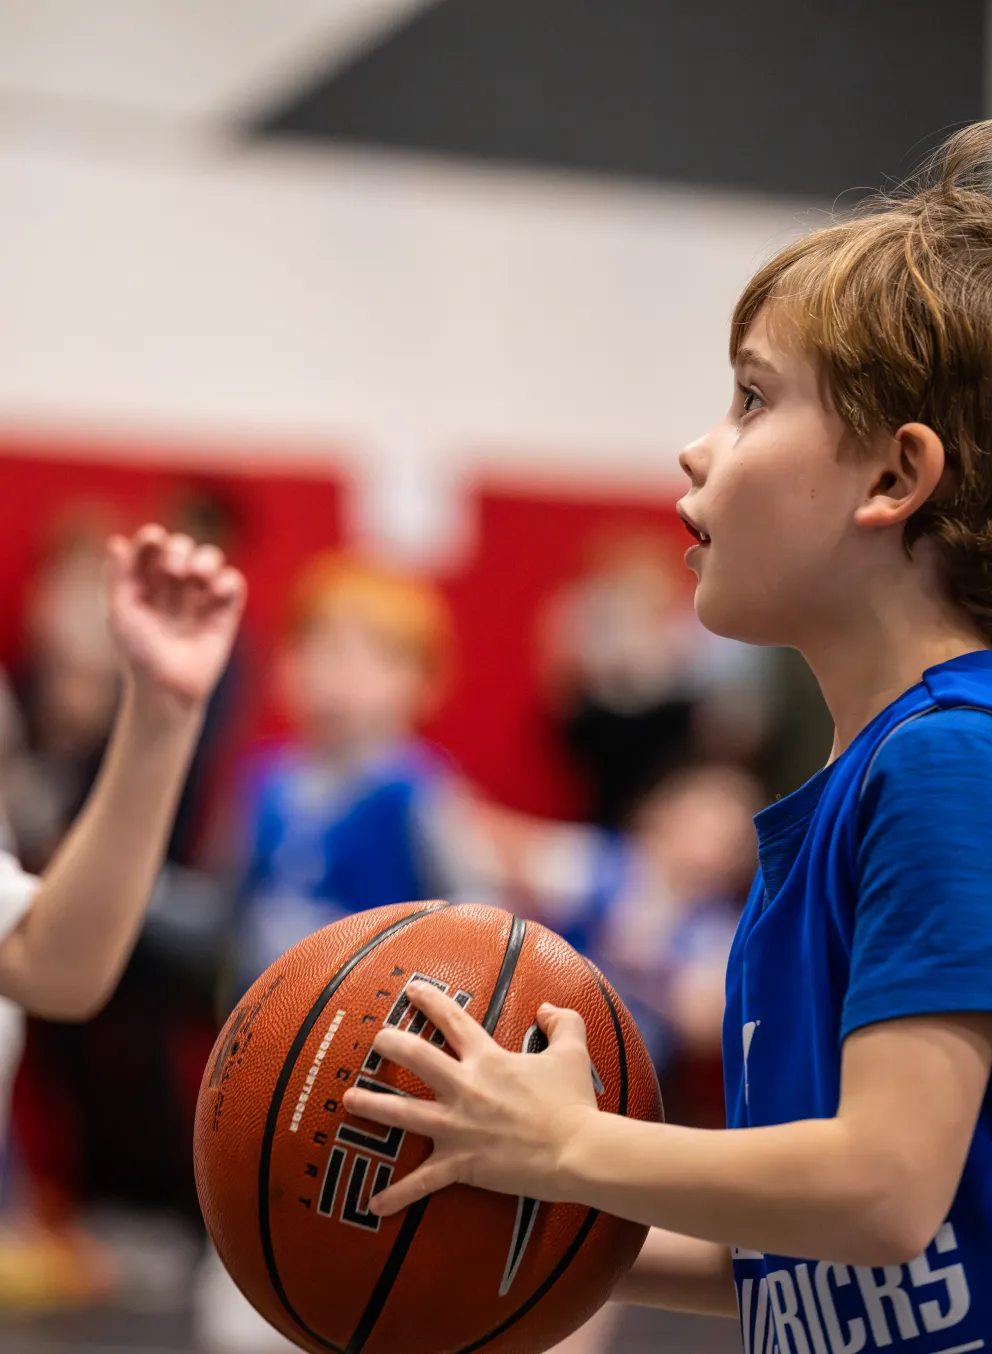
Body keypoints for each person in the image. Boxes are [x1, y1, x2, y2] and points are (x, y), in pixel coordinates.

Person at [341, 122, 992, 1350]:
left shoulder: (949, 758)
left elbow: (884, 1186)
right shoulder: (858, 786)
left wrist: (572, 1140)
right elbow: (802, 1257)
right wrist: (525, 1196)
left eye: (751, 397)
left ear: (893, 479)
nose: (697, 445)